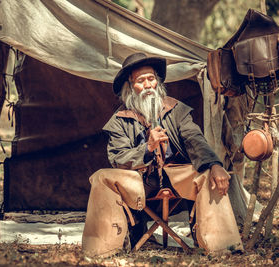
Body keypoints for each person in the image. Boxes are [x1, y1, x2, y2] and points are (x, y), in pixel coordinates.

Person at [81, 53, 243, 257]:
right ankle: (102, 249)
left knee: (209, 174)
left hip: (177, 174)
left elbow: (195, 140)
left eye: (151, 78)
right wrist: (147, 148)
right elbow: (118, 158)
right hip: (140, 179)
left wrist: (215, 165)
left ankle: (223, 248)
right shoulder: (120, 120)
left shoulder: (176, 109)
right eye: (140, 81)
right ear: (130, 88)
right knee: (102, 177)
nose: (148, 85)